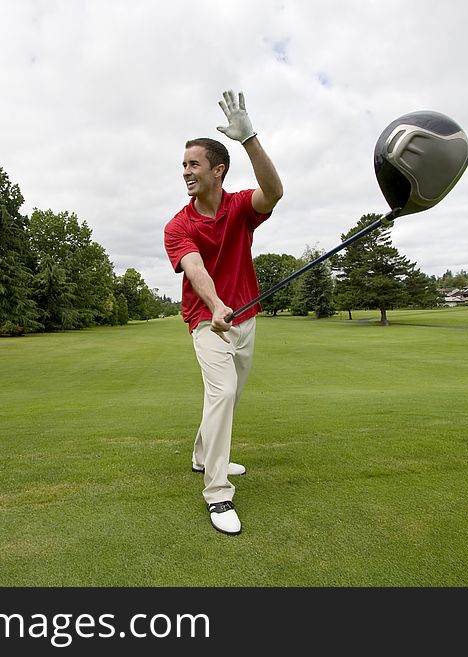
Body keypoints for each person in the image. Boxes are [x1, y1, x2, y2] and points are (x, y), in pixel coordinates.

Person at [163, 90, 283, 535]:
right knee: (223, 391)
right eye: (183, 166)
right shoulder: (178, 225)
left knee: (227, 395)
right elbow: (194, 268)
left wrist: (249, 138)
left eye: (193, 164)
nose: (185, 173)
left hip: (246, 318)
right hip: (206, 322)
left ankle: (201, 455)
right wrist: (215, 306)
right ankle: (217, 495)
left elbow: (275, 192)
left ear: (218, 170)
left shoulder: (238, 208)